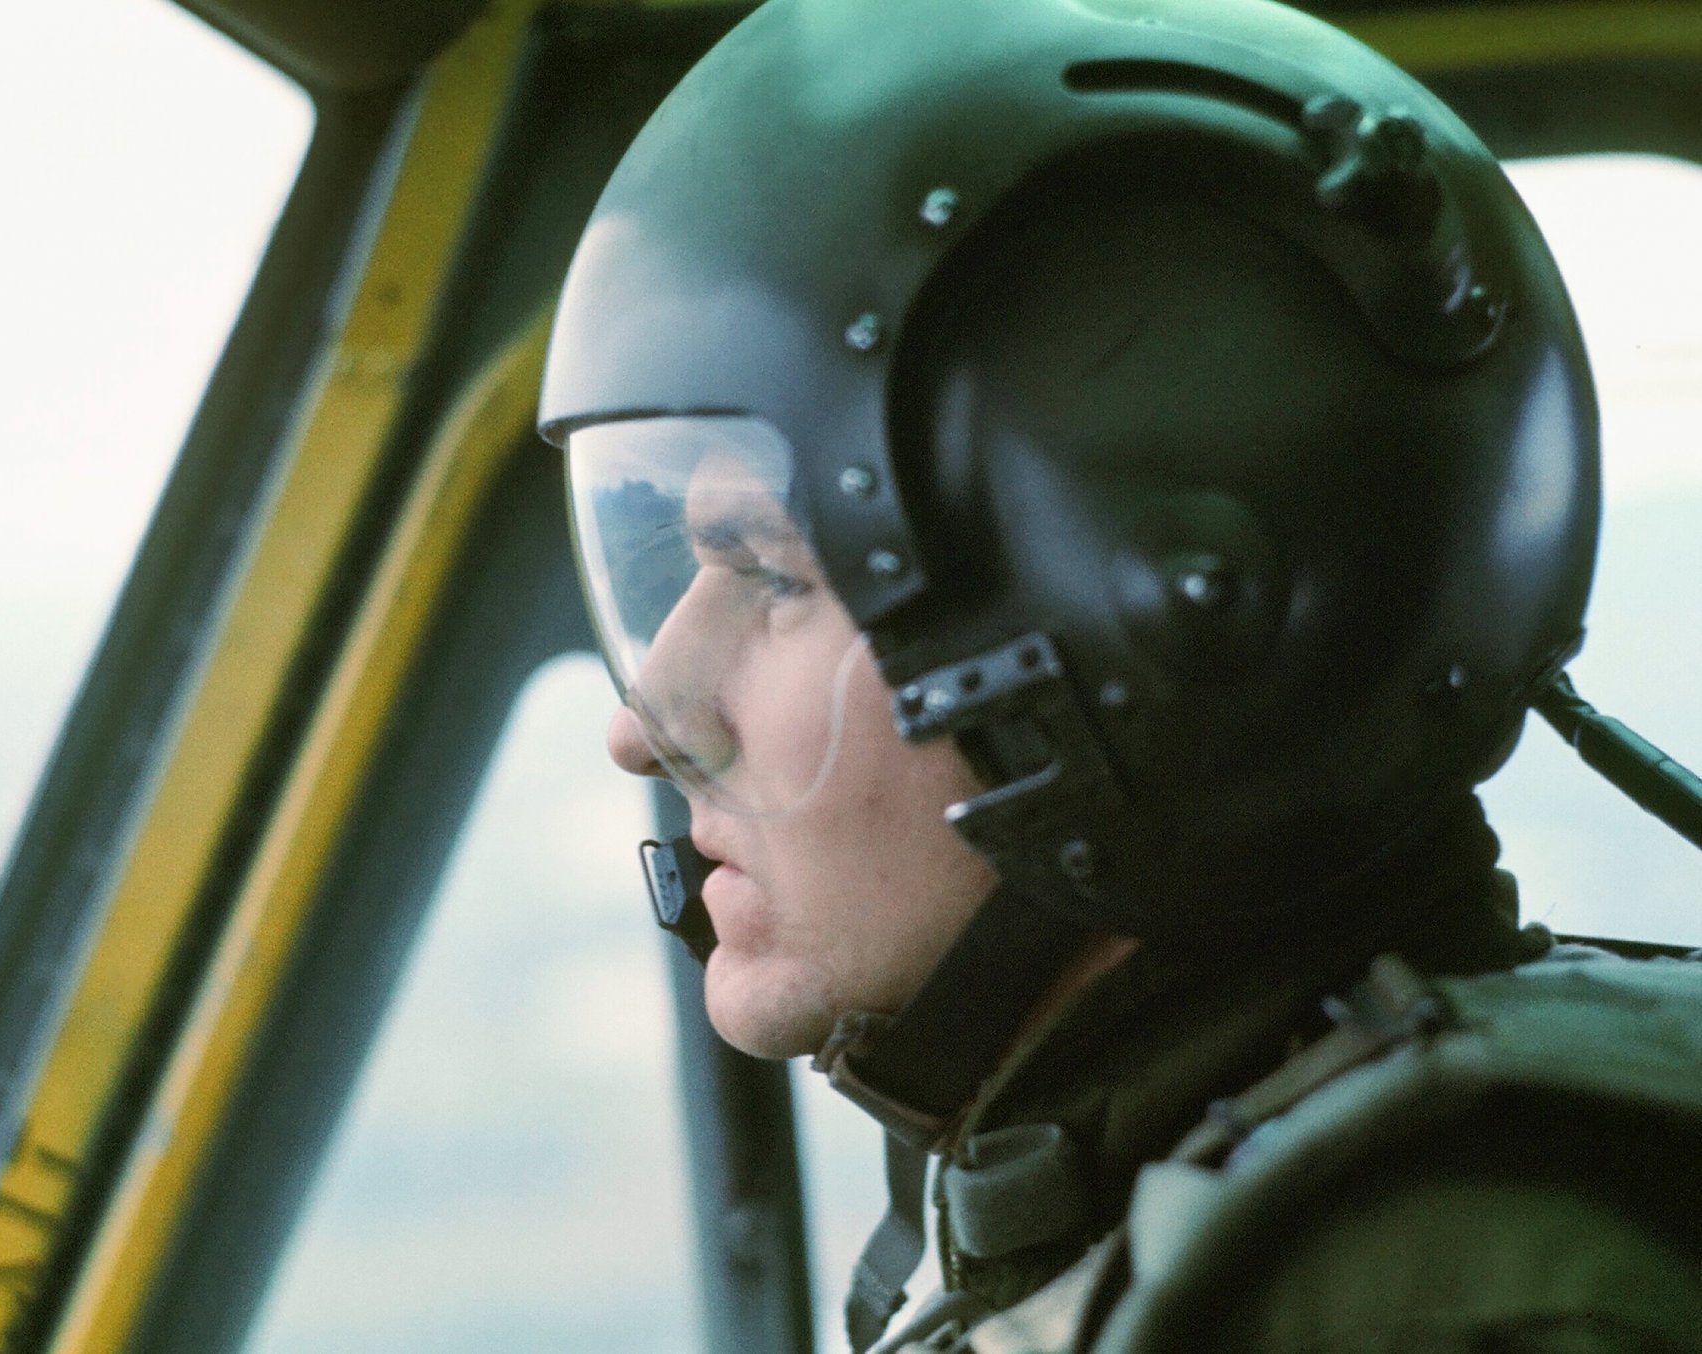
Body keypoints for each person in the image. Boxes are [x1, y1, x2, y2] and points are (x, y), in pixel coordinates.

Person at [539, 0, 1702, 1350]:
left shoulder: (1444, 1301)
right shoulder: (1170, 1211)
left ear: (1164, 628)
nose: (651, 720)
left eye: (773, 575)